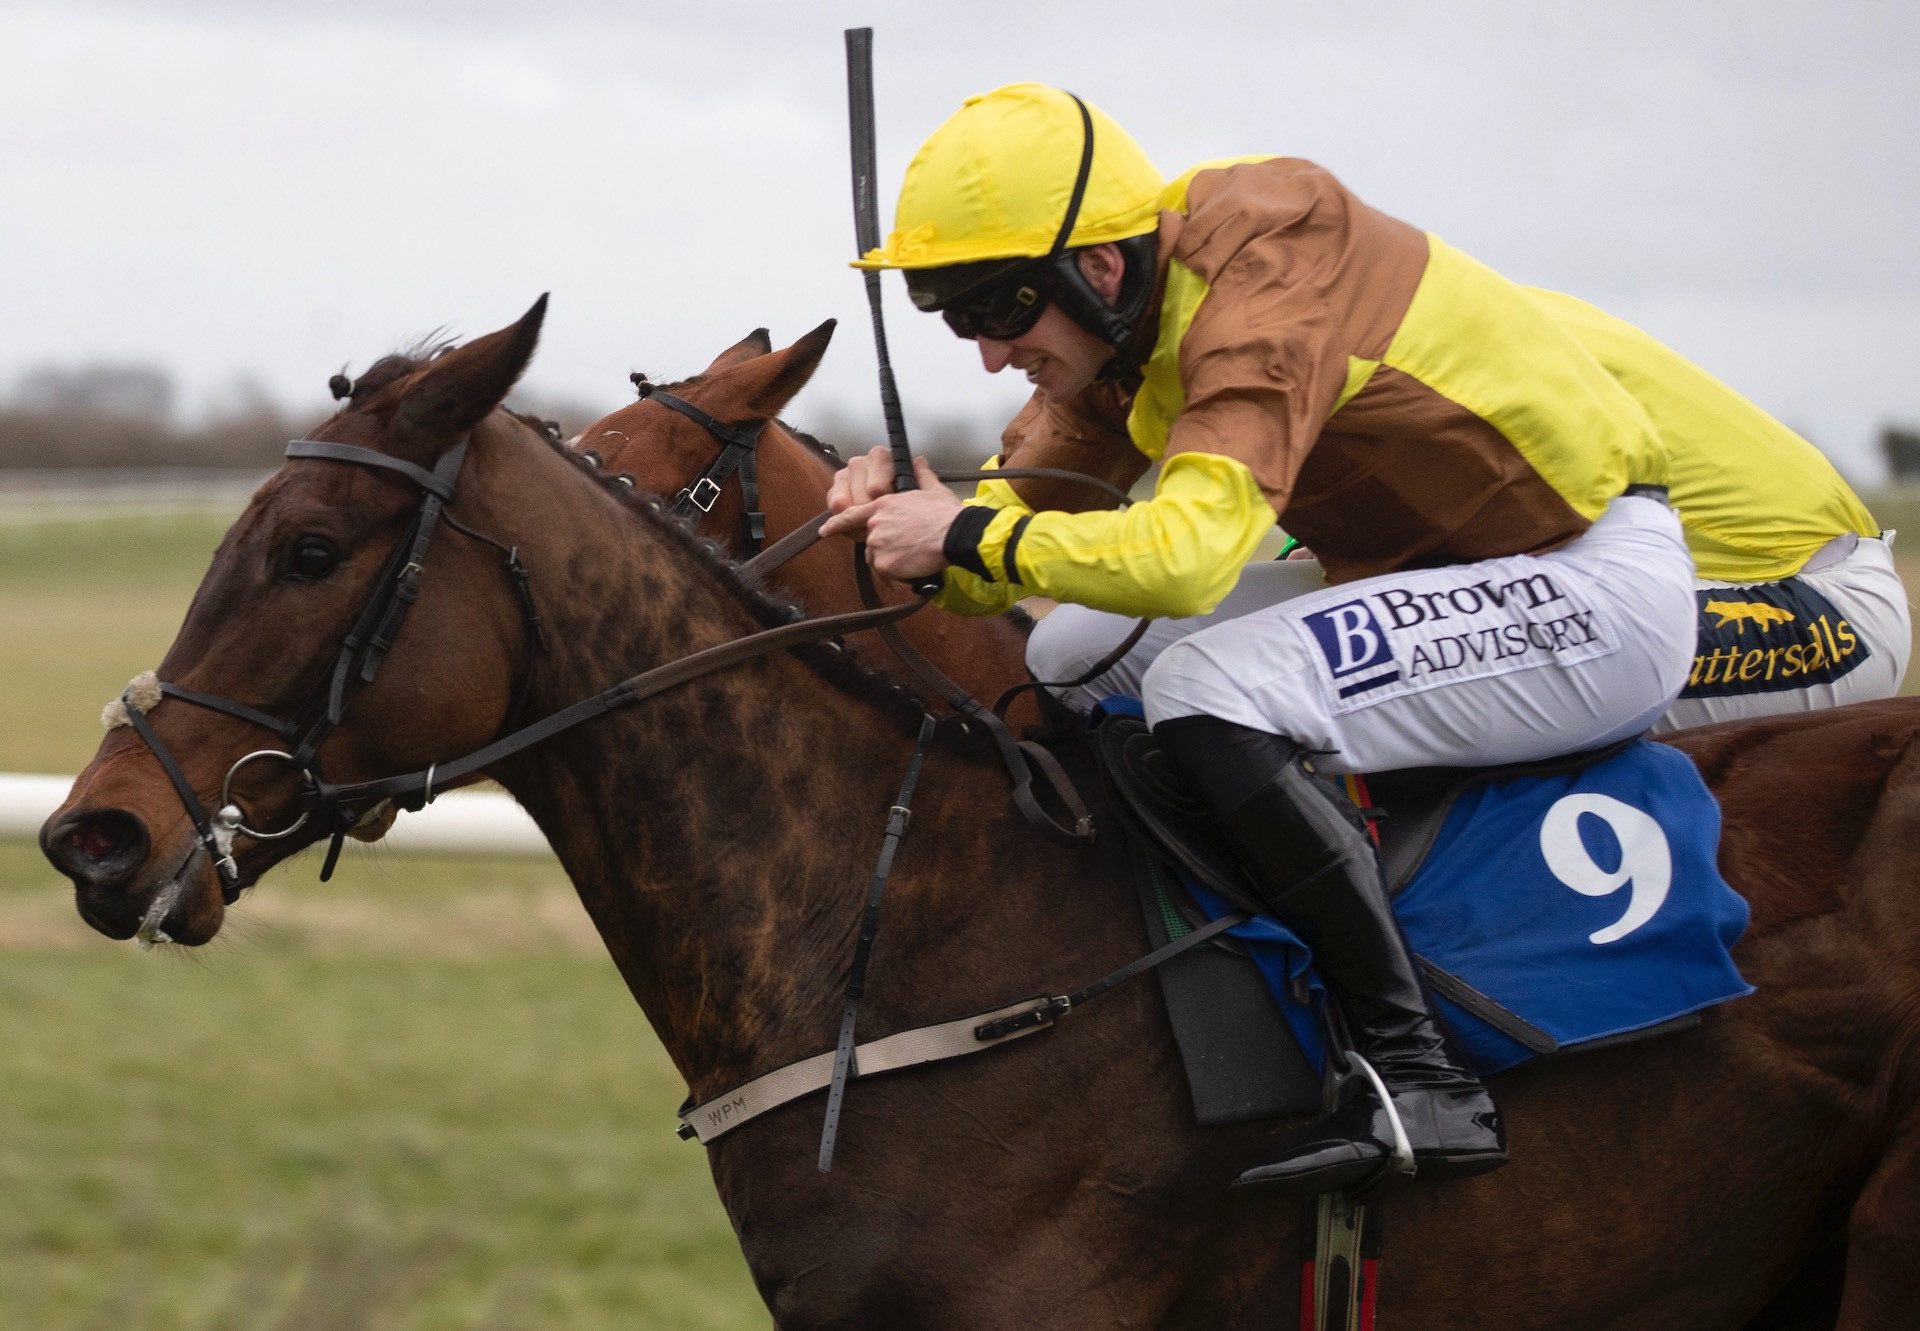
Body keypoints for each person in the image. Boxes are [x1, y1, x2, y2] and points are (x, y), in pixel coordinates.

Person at [822, 83, 1707, 1194]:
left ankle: (1420, 1077)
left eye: (999, 312)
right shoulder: (1121, 327)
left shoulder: (1272, 264)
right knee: (1068, 654)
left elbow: (1187, 555)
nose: (992, 357)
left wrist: (961, 529)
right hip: (1443, 577)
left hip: (1590, 585)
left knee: (1206, 683)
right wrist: (907, 525)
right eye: (954, 322)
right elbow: (1008, 542)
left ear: (1096, 267)